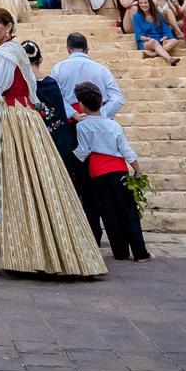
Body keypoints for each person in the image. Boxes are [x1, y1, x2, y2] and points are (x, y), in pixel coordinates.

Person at [0, 11, 105, 277]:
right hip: (27, 118)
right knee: (37, 181)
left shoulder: (4, 54)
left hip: (12, 118)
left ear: (9, 26)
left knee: (14, 182)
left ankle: (25, 252)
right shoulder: (16, 51)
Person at [70, 83, 147, 261]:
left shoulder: (82, 126)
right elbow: (126, 150)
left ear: (81, 105)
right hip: (119, 171)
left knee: (108, 212)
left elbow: (83, 150)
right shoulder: (114, 125)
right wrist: (138, 170)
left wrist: (69, 160)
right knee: (129, 211)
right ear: (101, 102)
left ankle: (120, 252)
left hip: (97, 172)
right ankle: (140, 252)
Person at [51, 32, 124, 121]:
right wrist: (101, 113)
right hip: (99, 120)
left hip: (71, 121)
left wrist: (74, 114)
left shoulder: (58, 69)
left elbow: (56, 97)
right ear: (87, 49)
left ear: (68, 50)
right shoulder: (101, 69)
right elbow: (117, 98)